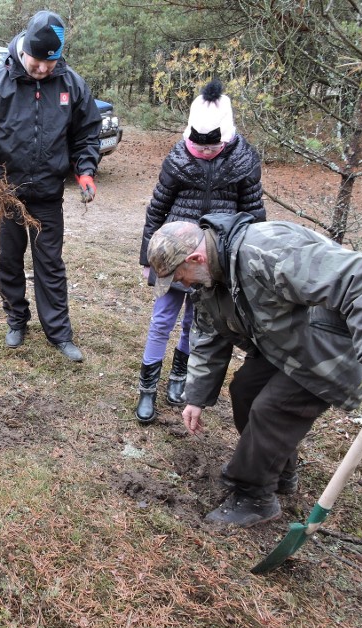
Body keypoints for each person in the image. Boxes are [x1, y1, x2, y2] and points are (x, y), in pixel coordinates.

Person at [147, 214, 362, 527]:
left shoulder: (267, 250)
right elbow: (208, 337)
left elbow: (361, 277)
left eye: (179, 276)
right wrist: (196, 397)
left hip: (332, 347)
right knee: (244, 391)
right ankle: (278, 470)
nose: (182, 284)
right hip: (286, 345)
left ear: (196, 258)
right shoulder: (210, 279)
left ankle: (255, 497)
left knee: (272, 409)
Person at [0, 10, 102, 362]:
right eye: (38, 62)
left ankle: (59, 333)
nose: (42, 70)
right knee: (6, 258)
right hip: (6, 190)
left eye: (49, 64)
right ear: (25, 50)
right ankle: (16, 320)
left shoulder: (71, 84)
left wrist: (85, 171)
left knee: (49, 263)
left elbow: (87, 133)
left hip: (48, 192)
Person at [135, 79, 265, 424]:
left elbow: (253, 215)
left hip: (213, 263)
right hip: (175, 257)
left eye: (212, 146)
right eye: (199, 145)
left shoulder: (244, 162)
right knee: (163, 318)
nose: (205, 151)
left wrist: (245, 264)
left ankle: (180, 379)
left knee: (199, 323)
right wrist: (149, 258)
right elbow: (156, 209)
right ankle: (147, 386)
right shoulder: (177, 160)